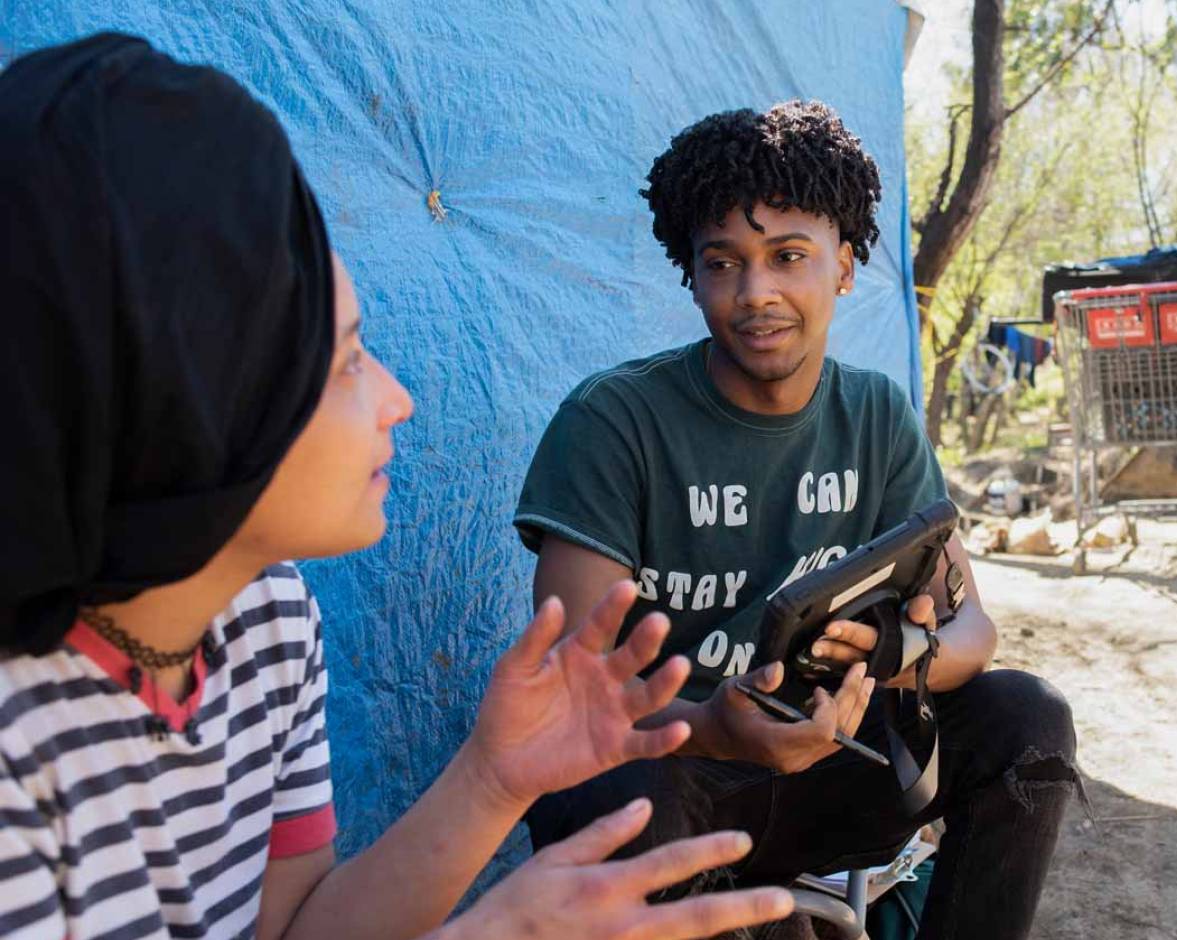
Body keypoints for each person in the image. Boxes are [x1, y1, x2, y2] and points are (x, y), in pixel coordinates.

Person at [0, 33, 794, 940]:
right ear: (195, 399)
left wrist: (492, 780)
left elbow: (294, 931)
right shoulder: (20, 745)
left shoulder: (262, 618)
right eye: (346, 360)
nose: (397, 399)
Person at [515, 100, 1079, 939]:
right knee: (610, 792)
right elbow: (571, 690)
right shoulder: (615, 423)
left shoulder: (876, 419)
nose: (756, 294)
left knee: (1027, 720)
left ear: (843, 267)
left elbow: (973, 632)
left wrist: (893, 655)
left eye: (788, 256)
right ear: (692, 275)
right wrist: (713, 728)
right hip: (675, 770)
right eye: (723, 263)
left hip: (833, 766)